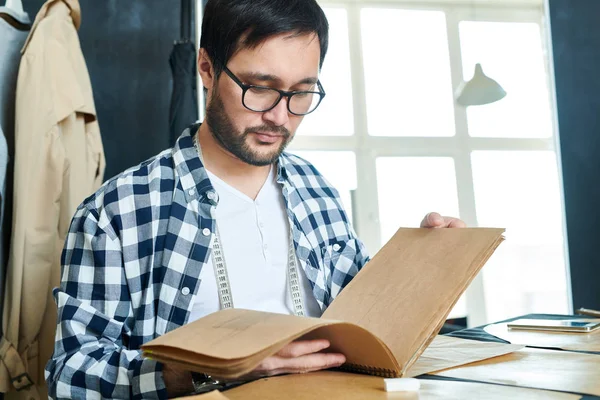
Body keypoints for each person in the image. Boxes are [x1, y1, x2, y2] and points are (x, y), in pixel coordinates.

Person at [45, 0, 466, 398]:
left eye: (302, 92)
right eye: (260, 88)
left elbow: (366, 322)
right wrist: (214, 369)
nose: (280, 117)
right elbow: (70, 375)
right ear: (207, 69)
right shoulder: (115, 213)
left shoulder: (316, 189)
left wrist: (424, 276)